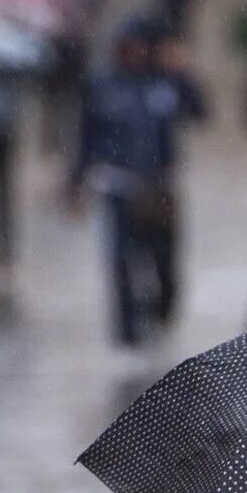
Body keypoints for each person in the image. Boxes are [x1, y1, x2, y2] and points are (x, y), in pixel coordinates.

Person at [69, 17, 208, 356]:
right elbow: (86, 138)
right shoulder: (103, 84)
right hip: (118, 186)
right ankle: (127, 335)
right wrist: (75, 183)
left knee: (164, 262)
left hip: (160, 187)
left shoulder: (165, 82)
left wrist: (183, 71)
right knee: (121, 262)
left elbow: (200, 113)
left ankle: (160, 317)